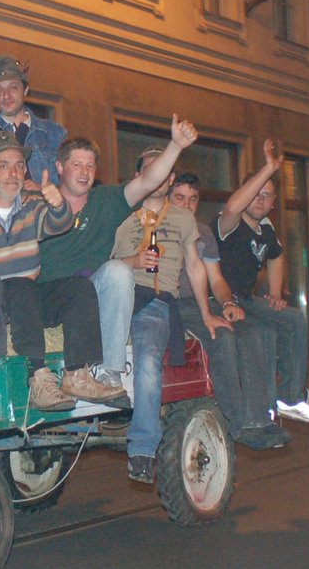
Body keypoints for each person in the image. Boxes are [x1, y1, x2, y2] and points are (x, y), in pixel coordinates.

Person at [0, 131, 125, 410]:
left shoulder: (31, 206)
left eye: (19, 166)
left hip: (27, 303)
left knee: (78, 287)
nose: (14, 173)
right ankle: (37, 376)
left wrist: (58, 202)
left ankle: (76, 374)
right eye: (4, 165)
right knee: (21, 286)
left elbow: (58, 224)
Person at [37, 119, 200, 391]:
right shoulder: (41, 203)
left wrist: (176, 145)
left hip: (89, 296)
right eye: (76, 164)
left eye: (90, 166)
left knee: (117, 270)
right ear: (59, 167)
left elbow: (148, 181)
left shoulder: (107, 201)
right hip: (51, 298)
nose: (84, 172)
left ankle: (109, 371)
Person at [111, 151, 226, 483]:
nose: (158, 178)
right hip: (119, 298)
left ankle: (143, 449)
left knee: (148, 355)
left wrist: (206, 315)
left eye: (164, 173)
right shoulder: (122, 217)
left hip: (155, 302)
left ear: (170, 179)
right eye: (150, 171)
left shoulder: (182, 220)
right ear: (138, 176)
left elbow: (195, 267)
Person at [169, 172, 287, 450]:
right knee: (222, 338)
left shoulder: (204, 233)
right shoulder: (157, 229)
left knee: (253, 331)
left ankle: (260, 418)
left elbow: (217, 280)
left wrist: (228, 304)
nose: (187, 206)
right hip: (172, 305)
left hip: (204, 302)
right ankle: (238, 421)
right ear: (167, 198)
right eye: (179, 198)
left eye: (193, 200)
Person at [212, 139, 309, 424]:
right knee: (265, 333)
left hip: (247, 300)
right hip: (220, 300)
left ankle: (290, 397)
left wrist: (274, 292)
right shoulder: (229, 224)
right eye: (256, 194)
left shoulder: (267, 230)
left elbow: (276, 255)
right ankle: (263, 411)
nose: (261, 200)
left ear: (274, 203)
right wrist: (269, 168)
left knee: (293, 319)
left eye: (268, 196)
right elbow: (232, 206)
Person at [0, 56, 68, 185]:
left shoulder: (53, 133)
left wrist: (43, 192)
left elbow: (68, 183)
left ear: (25, 90)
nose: (6, 95)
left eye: (13, 87)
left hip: (42, 204)